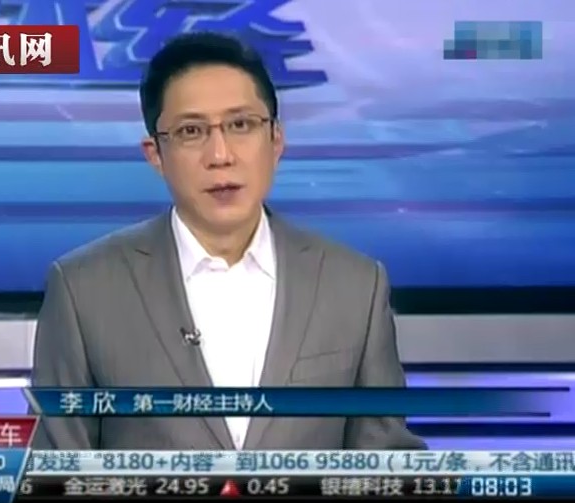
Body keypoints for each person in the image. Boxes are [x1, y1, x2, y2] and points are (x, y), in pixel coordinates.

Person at [31, 32, 425, 450]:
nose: (220, 155)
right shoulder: (83, 290)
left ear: (275, 140)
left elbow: (385, 463)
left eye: (241, 125)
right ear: (155, 154)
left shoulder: (355, 286)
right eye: (191, 131)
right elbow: (56, 471)